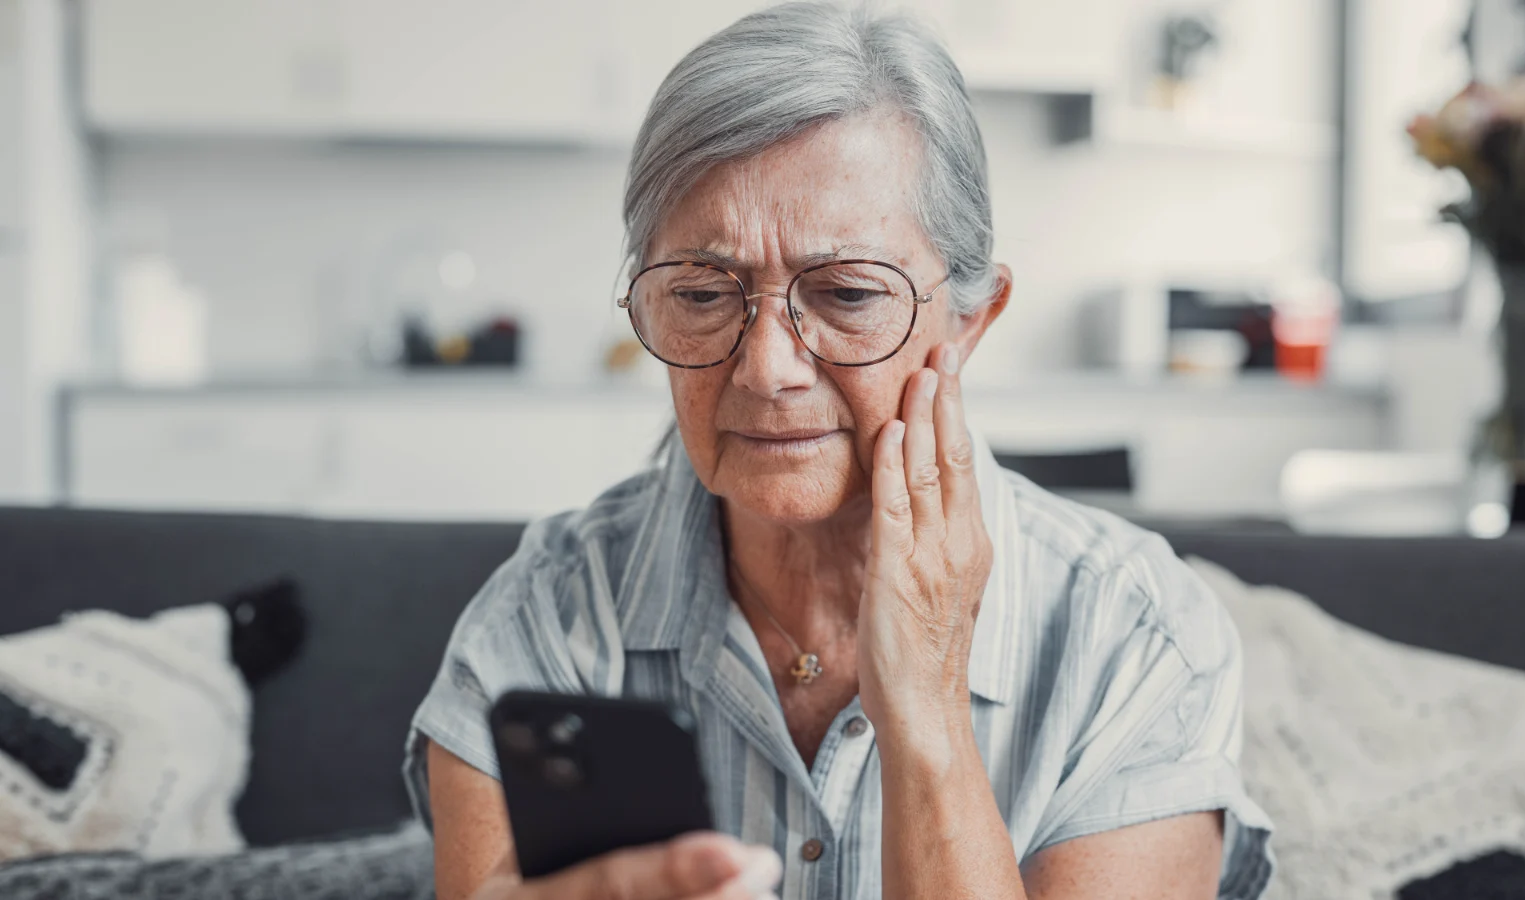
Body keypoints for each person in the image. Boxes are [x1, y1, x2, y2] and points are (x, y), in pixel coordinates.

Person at [404, 3, 1273, 899]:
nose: (766, 369)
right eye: (702, 294)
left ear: (970, 321)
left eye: (848, 293)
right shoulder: (547, 613)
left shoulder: (1139, 638)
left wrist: (928, 714)